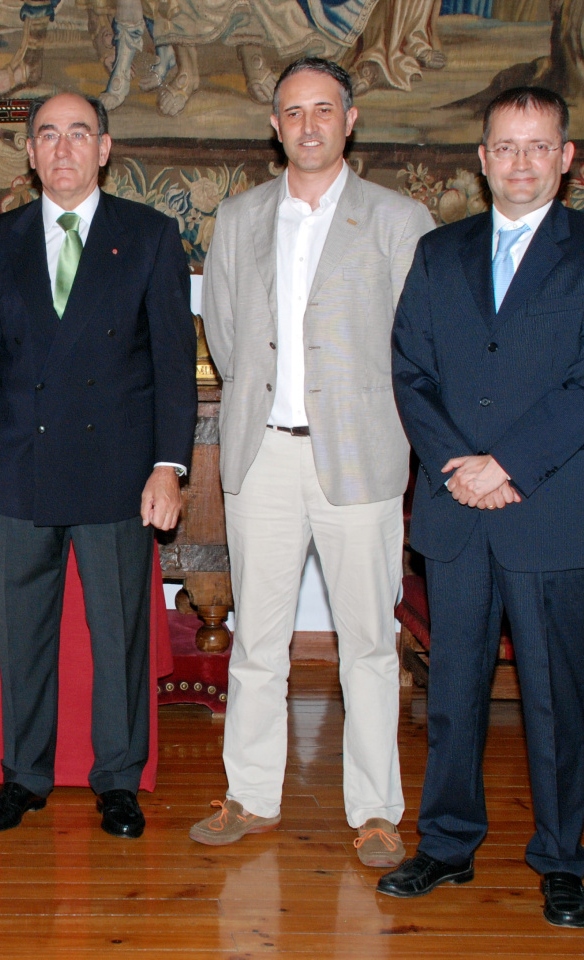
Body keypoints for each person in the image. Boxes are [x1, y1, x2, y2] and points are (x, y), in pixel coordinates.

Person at [382, 86, 584, 928]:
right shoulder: (439, 252)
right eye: (506, 146)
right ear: (482, 158)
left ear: (565, 158)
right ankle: (447, 845)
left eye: (538, 147)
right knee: (453, 691)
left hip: (549, 509)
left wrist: (506, 466)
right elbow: (410, 370)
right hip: (456, 508)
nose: (521, 162)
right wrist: (460, 467)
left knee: (556, 701)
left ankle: (561, 860)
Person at [188, 57, 433, 867]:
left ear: (350, 120)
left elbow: (417, 343)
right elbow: (226, 336)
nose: (308, 125)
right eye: (293, 112)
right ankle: (251, 795)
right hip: (262, 456)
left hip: (360, 457)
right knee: (257, 642)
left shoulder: (398, 220)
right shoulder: (240, 218)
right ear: (275, 125)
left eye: (323, 109)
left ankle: (377, 810)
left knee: (367, 645)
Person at [0, 92, 196, 839]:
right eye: (49, 135)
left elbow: (173, 362)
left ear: (105, 148)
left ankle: (118, 780)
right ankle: (23, 777)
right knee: (22, 636)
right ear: (29, 153)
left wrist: (169, 466)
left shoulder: (149, 235)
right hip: (17, 468)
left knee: (119, 635)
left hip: (117, 473)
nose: (63, 149)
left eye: (79, 134)